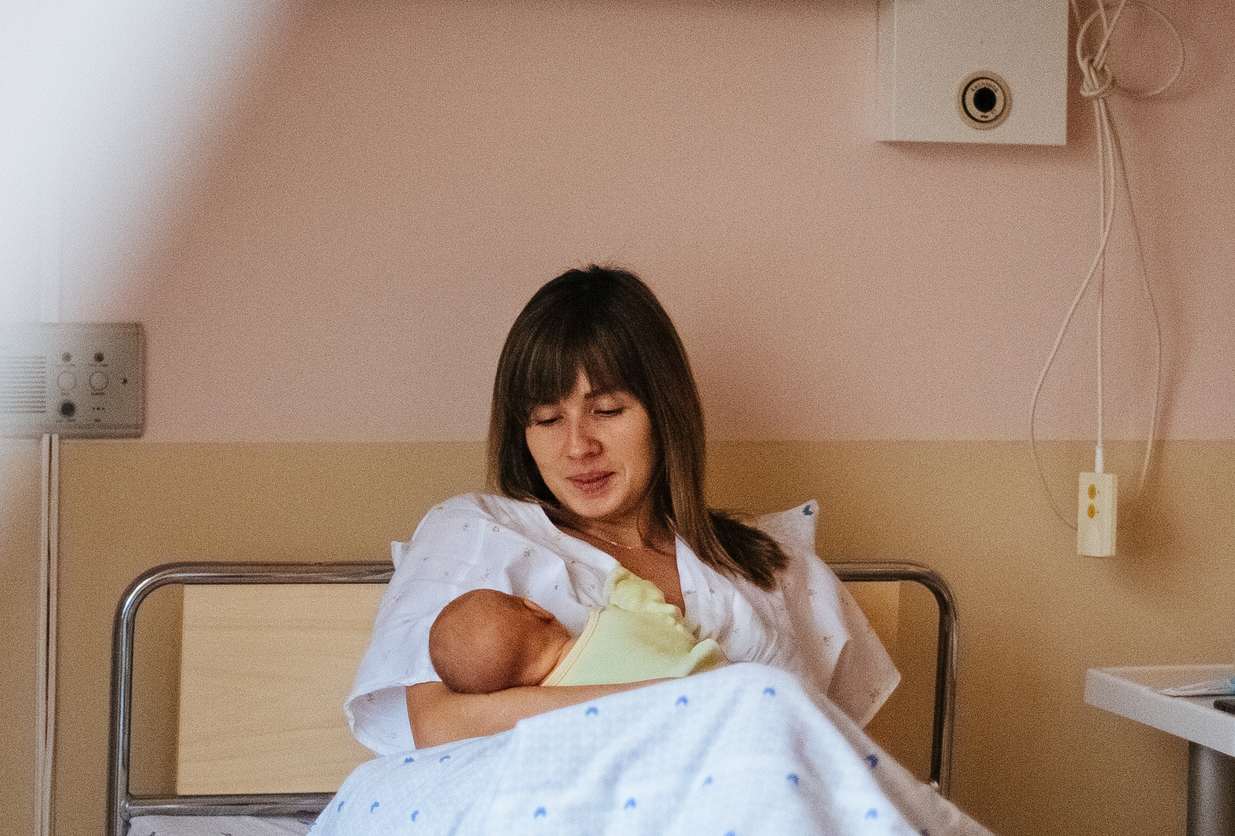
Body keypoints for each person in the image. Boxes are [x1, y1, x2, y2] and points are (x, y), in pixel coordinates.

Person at [345, 264, 896, 753]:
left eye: (607, 410)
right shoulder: (475, 533)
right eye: (546, 419)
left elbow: (849, 764)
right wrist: (693, 702)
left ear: (663, 410)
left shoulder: (772, 565)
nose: (579, 446)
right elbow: (441, 727)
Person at [427, 571, 727, 696]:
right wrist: (621, 581)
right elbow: (662, 615)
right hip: (715, 687)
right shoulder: (613, 622)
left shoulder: (550, 709)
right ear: (537, 609)